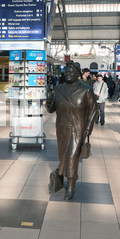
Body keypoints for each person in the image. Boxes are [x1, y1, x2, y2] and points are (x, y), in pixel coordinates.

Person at [46, 62, 98, 200]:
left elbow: (93, 111)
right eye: (66, 72)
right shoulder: (58, 89)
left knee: (72, 156)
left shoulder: (86, 90)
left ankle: (70, 187)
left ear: (77, 74)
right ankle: (68, 177)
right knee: (63, 155)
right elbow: (51, 109)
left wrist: (88, 129)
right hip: (61, 128)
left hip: (78, 128)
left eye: (71, 72)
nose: (68, 74)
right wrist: (48, 100)